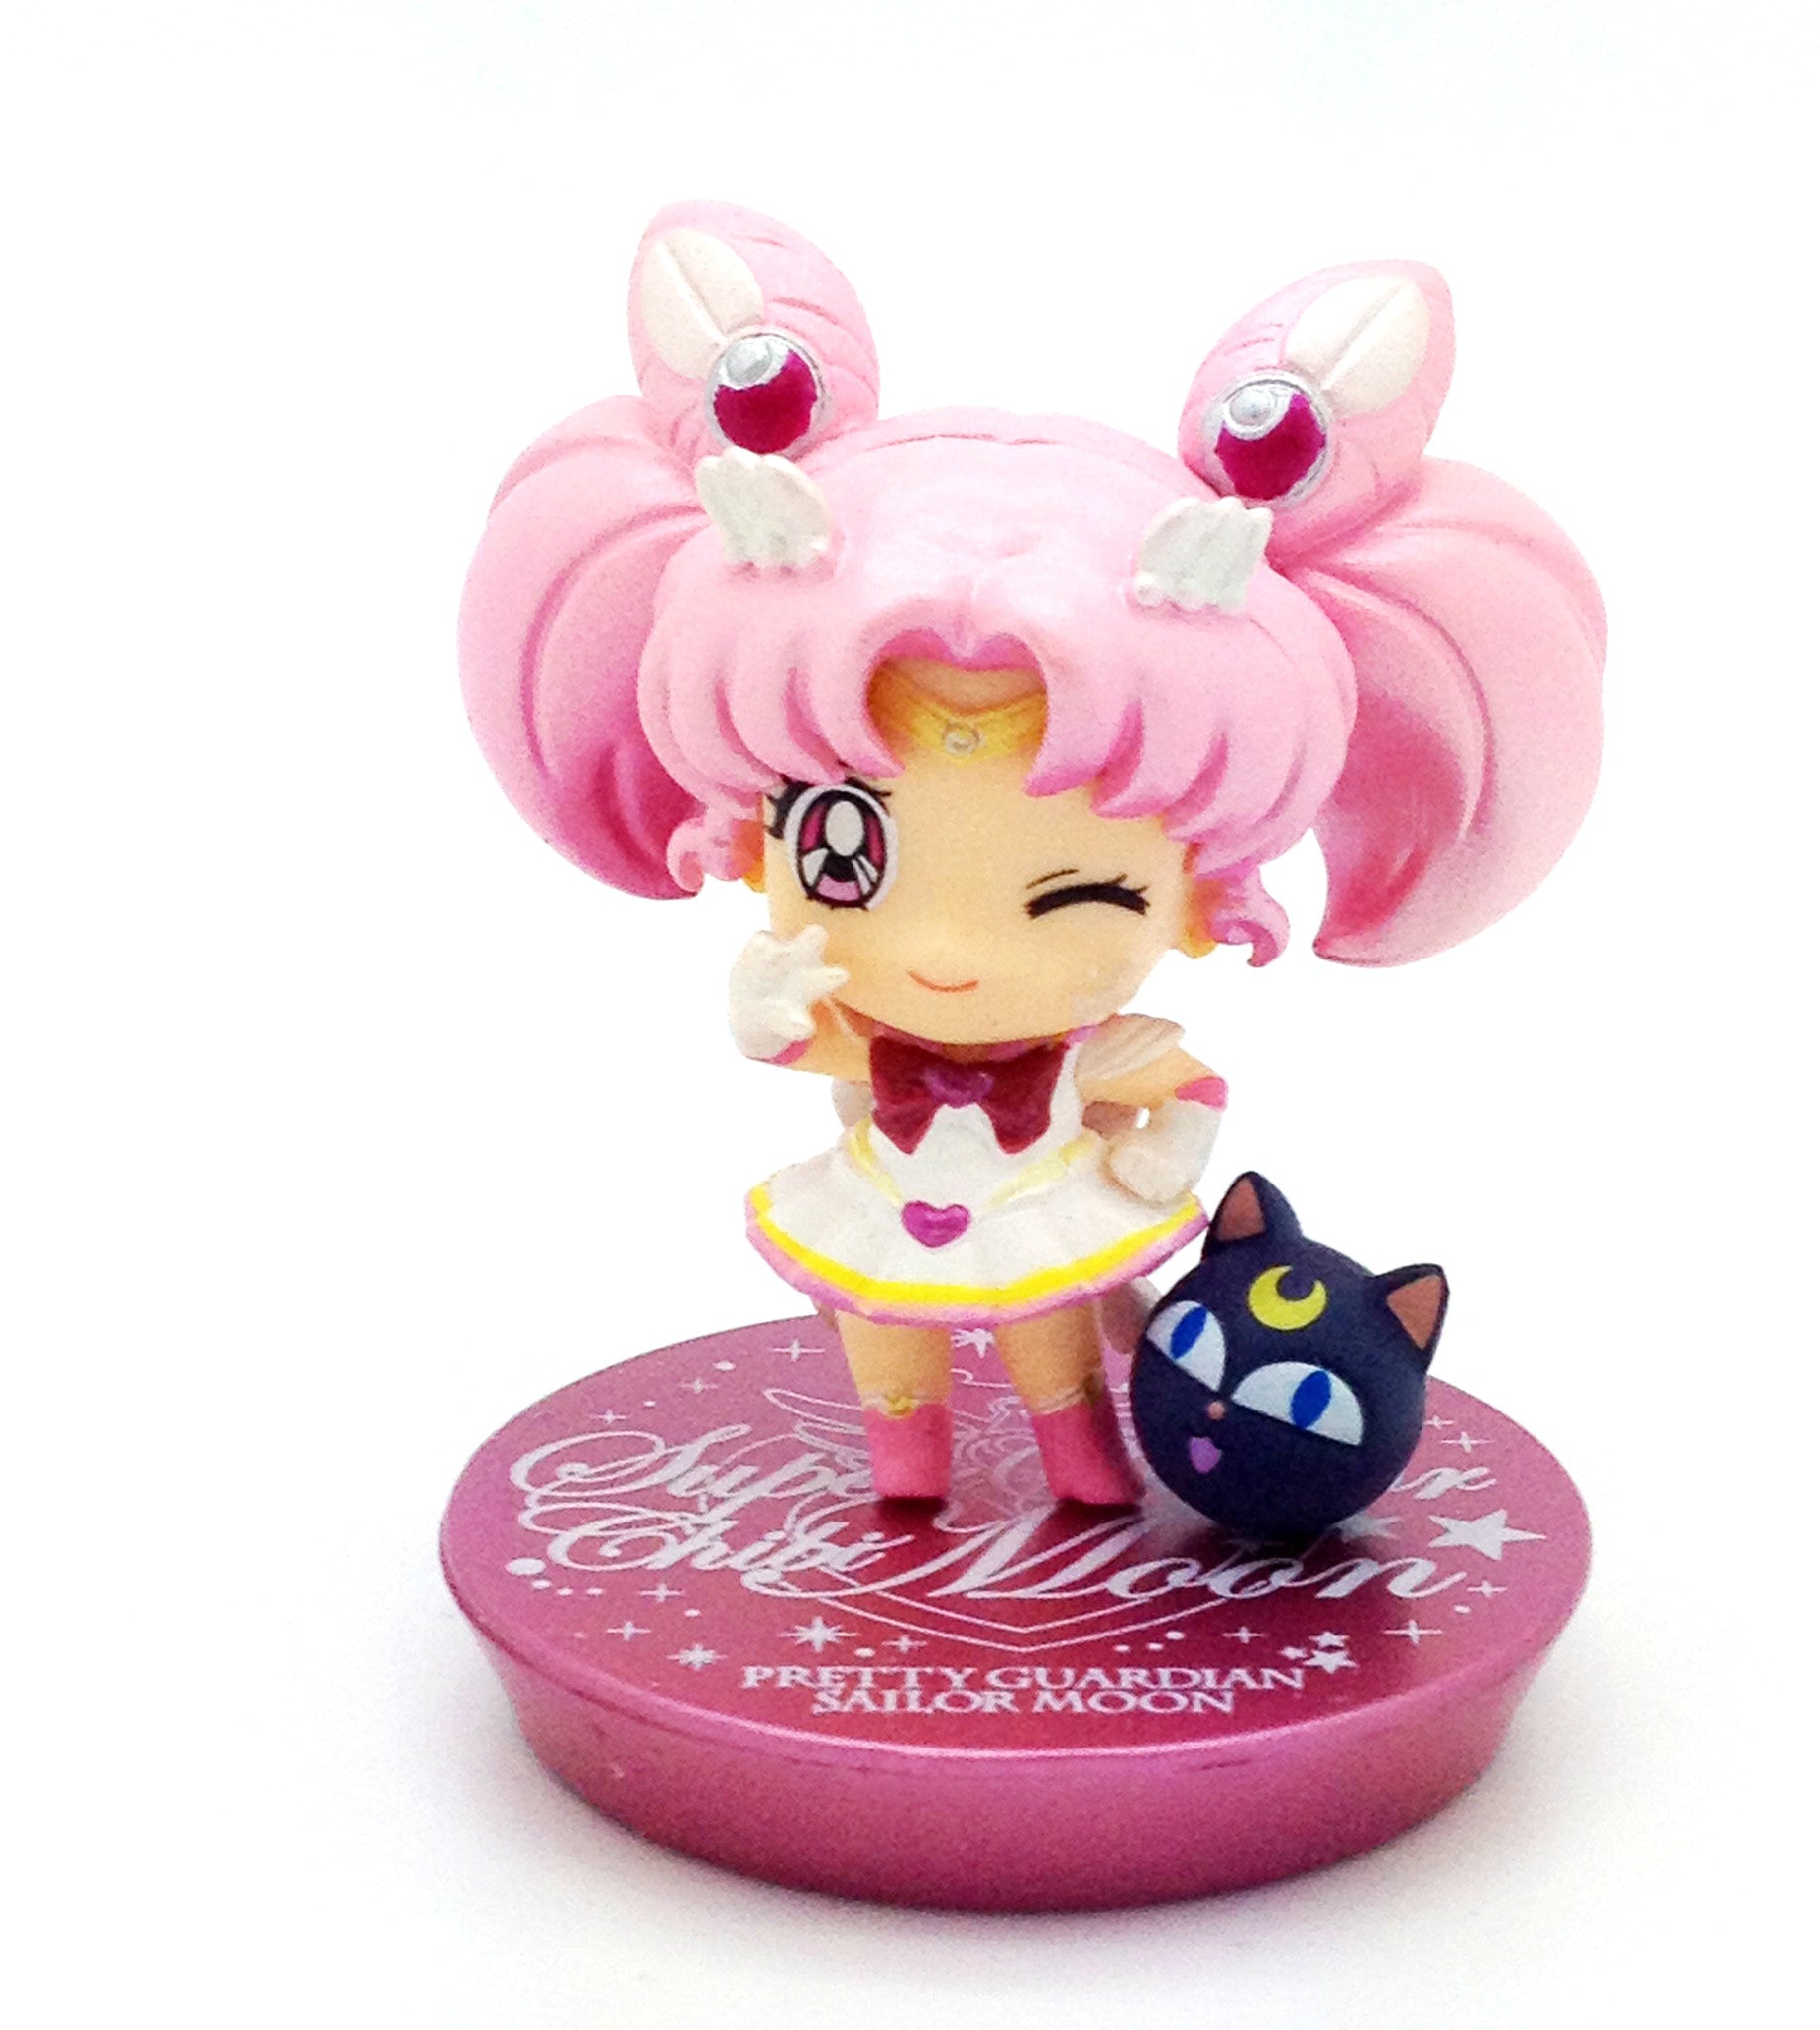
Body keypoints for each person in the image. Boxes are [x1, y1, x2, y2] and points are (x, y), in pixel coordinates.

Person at [458, 201, 1605, 1506]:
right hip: (878, 1215)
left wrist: (1166, 1155)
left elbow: (1186, 1082)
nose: (949, 948)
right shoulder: (868, 1027)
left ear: (1203, 898)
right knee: (889, 1355)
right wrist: (764, 1009)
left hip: (1042, 1217)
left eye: (1079, 894)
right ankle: (906, 1467)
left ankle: (1083, 1465)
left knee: (1056, 1360)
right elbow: (800, 1045)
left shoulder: (1087, 1056)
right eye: (844, 857)